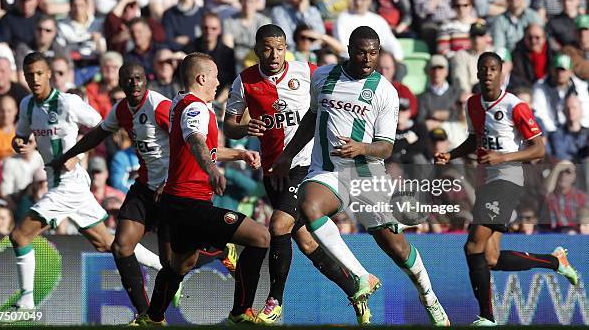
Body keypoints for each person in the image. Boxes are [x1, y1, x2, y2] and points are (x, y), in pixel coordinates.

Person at [270, 26, 450, 326]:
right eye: (361, 51)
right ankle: (360, 276)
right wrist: (287, 155)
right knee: (309, 205)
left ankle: (429, 297)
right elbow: (312, 117)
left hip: (367, 175)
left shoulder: (385, 91)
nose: (367, 58)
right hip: (328, 171)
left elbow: (386, 147)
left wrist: (362, 147)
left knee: (396, 247)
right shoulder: (323, 76)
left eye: (373, 53)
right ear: (349, 49)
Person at [50, 62, 236, 318]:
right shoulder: (122, 110)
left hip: (171, 189)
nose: (134, 84)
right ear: (120, 82)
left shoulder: (159, 106)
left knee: (173, 264)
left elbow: (187, 145)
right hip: (145, 188)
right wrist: (67, 156)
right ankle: (144, 315)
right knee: (121, 246)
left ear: (145, 81)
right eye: (128, 79)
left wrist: (169, 180)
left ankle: (220, 251)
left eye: (138, 78)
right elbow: (97, 135)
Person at [224, 24, 366, 324]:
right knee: (305, 242)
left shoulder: (307, 71)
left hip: (306, 166)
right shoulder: (245, 81)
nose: (273, 54)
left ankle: (274, 302)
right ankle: (355, 289)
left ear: (286, 47)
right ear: (256, 49)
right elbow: (229, 125)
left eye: (279, 47)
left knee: (278, 226)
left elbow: (343, 77)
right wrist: (243, 128)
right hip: (274, 171)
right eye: (266, 48)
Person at [7, 52, 160, 312]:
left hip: (71, 183)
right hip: (57, 183)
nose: (34, 79)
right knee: (108, 244)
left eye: (39, 73)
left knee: (19, 235)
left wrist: (78, 155)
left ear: (49, 75)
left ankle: (26, 303)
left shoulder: (68, 103)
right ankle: (164, 268)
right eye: (29, 74)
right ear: (23, 76)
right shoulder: (26, 106)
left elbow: (102, 127)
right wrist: (19, 142)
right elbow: (20, 135)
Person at [434, 51, 579, 326]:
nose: (488, 73)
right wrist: (450, 155)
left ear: (501, 74)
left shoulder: (516, 106)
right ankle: (555, 261)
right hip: (486, 181)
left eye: (493, 69)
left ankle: (487, 317)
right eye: (483, 69)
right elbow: (473, 140)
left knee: (472, 245)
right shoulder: (473, 104)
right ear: (477, 73)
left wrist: (503, 157)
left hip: (508, 178)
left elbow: (538, 148)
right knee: (490, 257)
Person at [132, 53, 268, 325]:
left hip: (177, 201)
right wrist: (213, 171)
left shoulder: (180, 103)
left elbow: (204, 148)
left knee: (181, 264)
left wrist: (238, 155)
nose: (219, 82)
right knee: (260, 237)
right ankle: (241, 312)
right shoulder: (196, 109)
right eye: (215, 76)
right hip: (189, 202)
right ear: (202, 78)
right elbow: (196, 142)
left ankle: (152, 317)